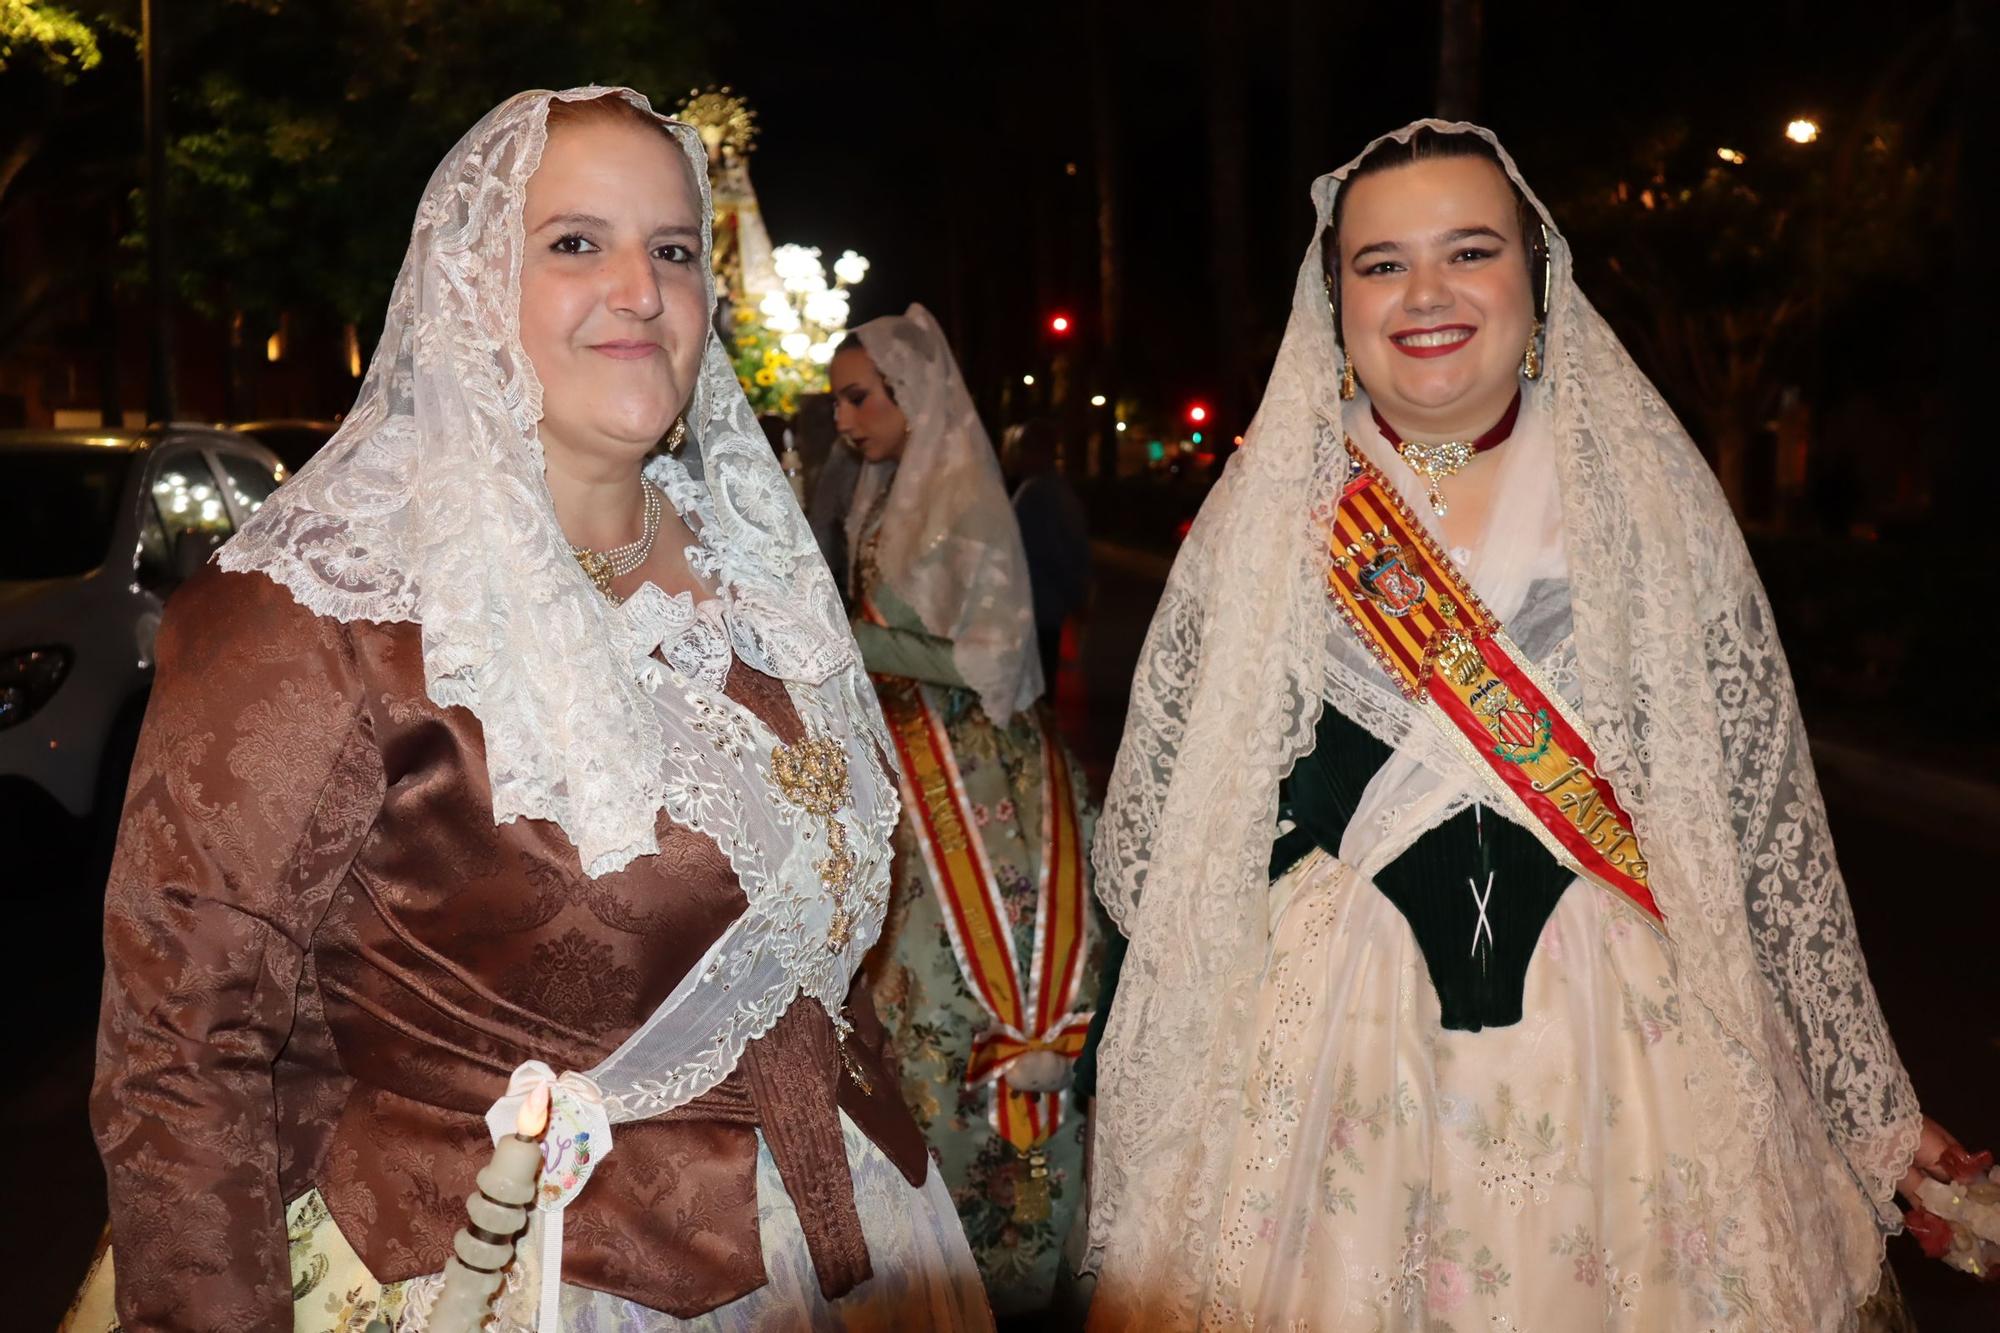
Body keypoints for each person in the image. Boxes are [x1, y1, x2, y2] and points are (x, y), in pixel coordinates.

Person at [75, 88, 990, 1332]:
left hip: (849, 1242)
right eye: (574, 243)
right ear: (465, 281)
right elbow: (184, 1053)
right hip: (517, 1272)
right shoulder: (318, 607)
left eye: (672, 250)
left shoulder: (760, 570)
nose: (640, 289)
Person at [1083, 122, 1974, 1331]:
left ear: (1536, 278)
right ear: (1333, 295)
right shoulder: (1272, 509)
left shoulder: (1644, 496)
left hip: (1631, 1057)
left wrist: (1866, 1103)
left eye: (1468, 250)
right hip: (1328, 1056)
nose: (1425, 294)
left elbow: (1755, 839)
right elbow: (1180, 844)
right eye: (1380, 263)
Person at [830, 306, 1103, 1318]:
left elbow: (988, 665)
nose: (846, 419)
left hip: (978, 784)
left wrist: (851, 643)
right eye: (839, 400)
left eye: (860, 397)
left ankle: (1012, 1256)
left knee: (958, 1002)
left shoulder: (954, 502)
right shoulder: (880, 494)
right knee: (889, 1014)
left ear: (913, 395)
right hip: (898, 768)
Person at [1005, 419, 1092, 694]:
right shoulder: (1059, 490)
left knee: (1035, 689)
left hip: (1034, 608)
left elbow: (1050, 553)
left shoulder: (1035, 493)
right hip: (1049, 608)